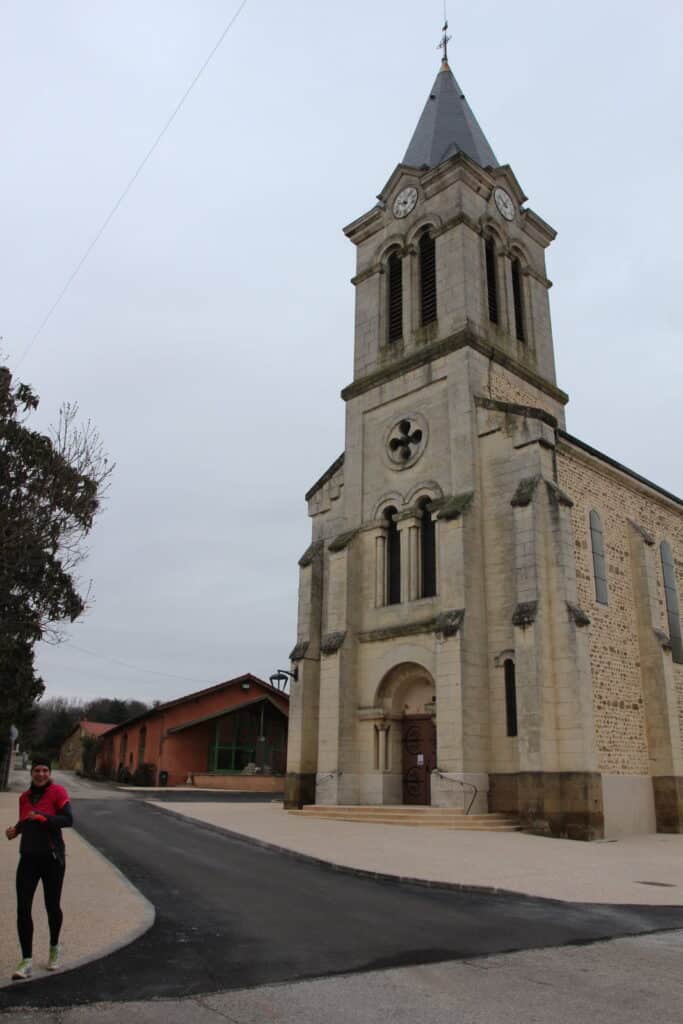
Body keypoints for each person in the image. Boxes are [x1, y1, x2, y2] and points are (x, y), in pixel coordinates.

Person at [5, 757, 73, 980]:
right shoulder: (24, 797)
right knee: (23, 908)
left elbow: (68, 820)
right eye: (37, 770)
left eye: (45, 770)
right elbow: (25, 821)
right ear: (31, 773)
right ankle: (26, 960)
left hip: (52, 858)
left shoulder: (58, 792)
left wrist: (44, 817)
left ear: (50, 772)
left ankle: (54, 948)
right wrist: (15, 831)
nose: (41, 774)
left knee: (52, 906)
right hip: (28, 858)